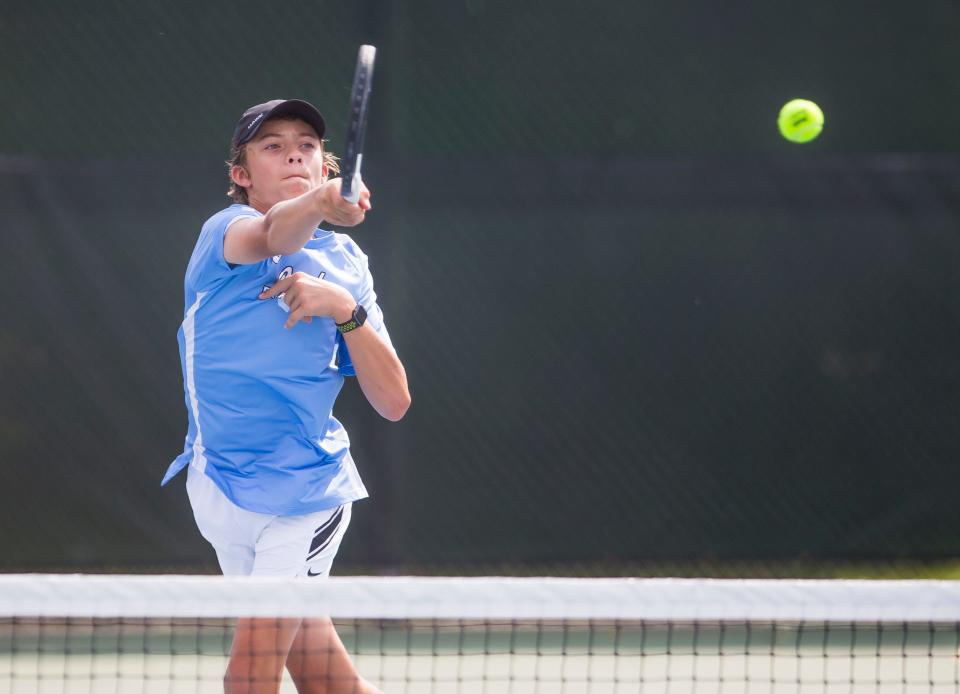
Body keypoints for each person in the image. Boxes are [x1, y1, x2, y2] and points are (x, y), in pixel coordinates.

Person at [162, 99, 410, 694]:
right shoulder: (225, 235)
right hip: (219, 482)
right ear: (241, 175)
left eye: (305, 144)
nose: (293, 150)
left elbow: (393, 400)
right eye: (272, 145)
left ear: (326, 166)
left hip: (305, 490)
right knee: (323, 677)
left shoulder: (347, 264)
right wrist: (323, 202)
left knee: (251, 670)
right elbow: (276, 230)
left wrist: (345, 311)